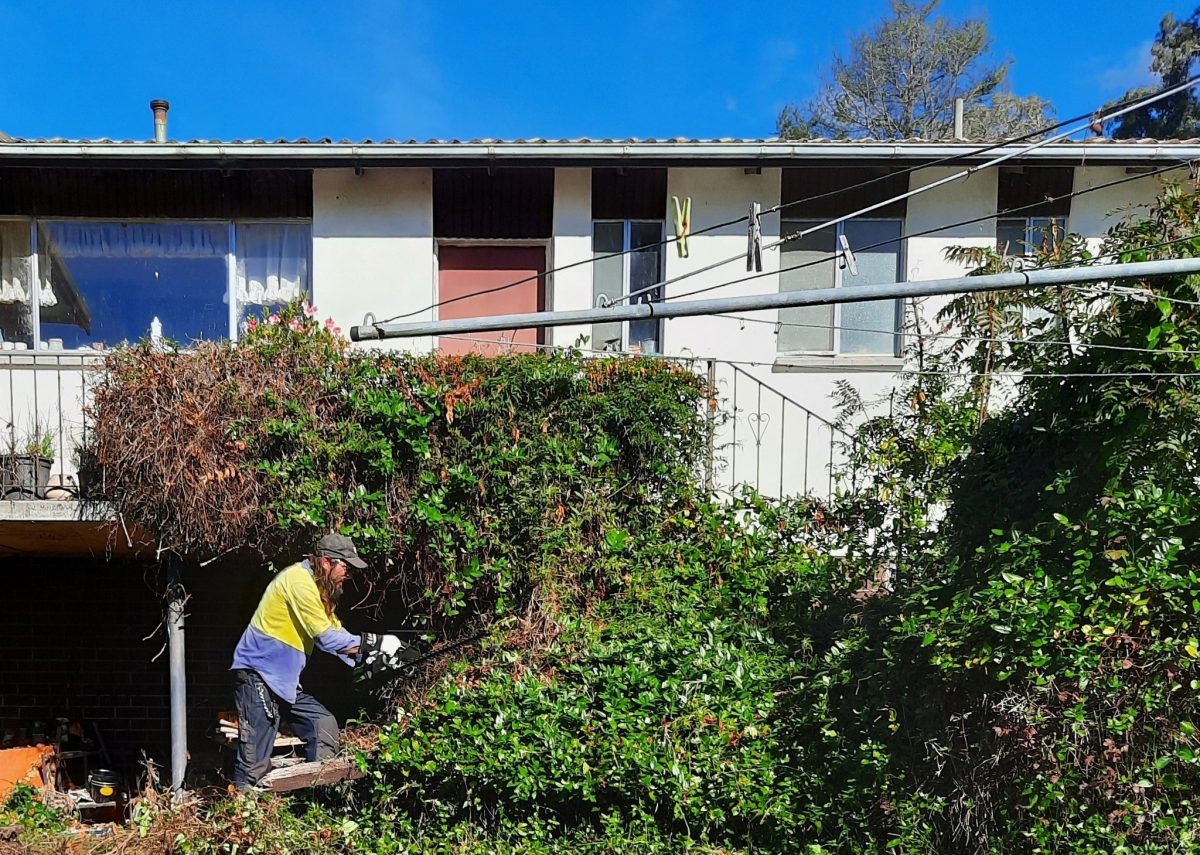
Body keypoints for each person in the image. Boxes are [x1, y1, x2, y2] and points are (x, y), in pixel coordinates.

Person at [229, 533, 370, 789]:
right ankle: (245, 816)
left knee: (323, 725)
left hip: (284, 682)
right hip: (257, 674)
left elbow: (338, 636)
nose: (348, 576)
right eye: (346, 568)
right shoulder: (298, 580)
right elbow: (327, 639)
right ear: (327, 562)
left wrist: (369, 655)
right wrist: (372, 644)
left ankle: (316, 800)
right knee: (255, 758)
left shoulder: (320, 591)